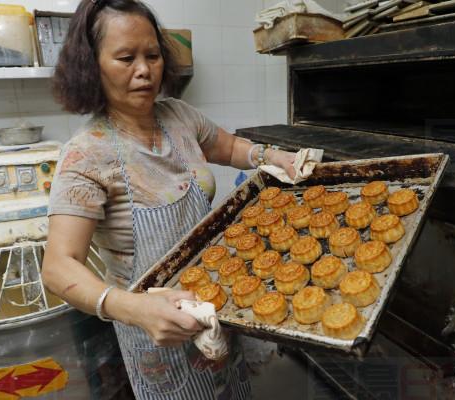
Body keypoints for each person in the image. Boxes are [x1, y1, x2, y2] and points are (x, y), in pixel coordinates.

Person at [41, 0, 297, 399]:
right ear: (92, 65)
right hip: (155, 328)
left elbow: (227, 147)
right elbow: (58, 267)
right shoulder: (86, 155)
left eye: (153, 55)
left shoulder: (179, 116)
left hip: (216, 302)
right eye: (126, 57)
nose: (144, 70)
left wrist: (272, 156)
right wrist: (133, 309)